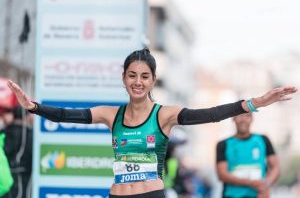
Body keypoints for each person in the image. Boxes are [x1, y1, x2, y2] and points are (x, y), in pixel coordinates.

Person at [7, 48, 297, 198]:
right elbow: (69, 115)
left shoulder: (164, 115)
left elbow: (211, 114)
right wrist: (33, 107)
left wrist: (256, 102)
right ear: (124, 78)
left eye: (144, 76)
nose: (138, 82)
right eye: (132, 75)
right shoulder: (111, 114)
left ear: (153, 81)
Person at [216, 112, 280, 198]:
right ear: (233, 118)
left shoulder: (263, 140)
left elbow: (275, 167)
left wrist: (266, 185)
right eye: (239, 115)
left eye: (247, 116)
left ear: (252, 118)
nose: (243, 119)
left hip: (258, 195)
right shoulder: (223, 144)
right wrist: (251, 183)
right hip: (231, 195)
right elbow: (222, 174)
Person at [0, 106, 33, 198]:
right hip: (25, 178)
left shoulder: (3, 133)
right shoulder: (31, 135)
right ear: (26, 116)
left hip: (4, 180)